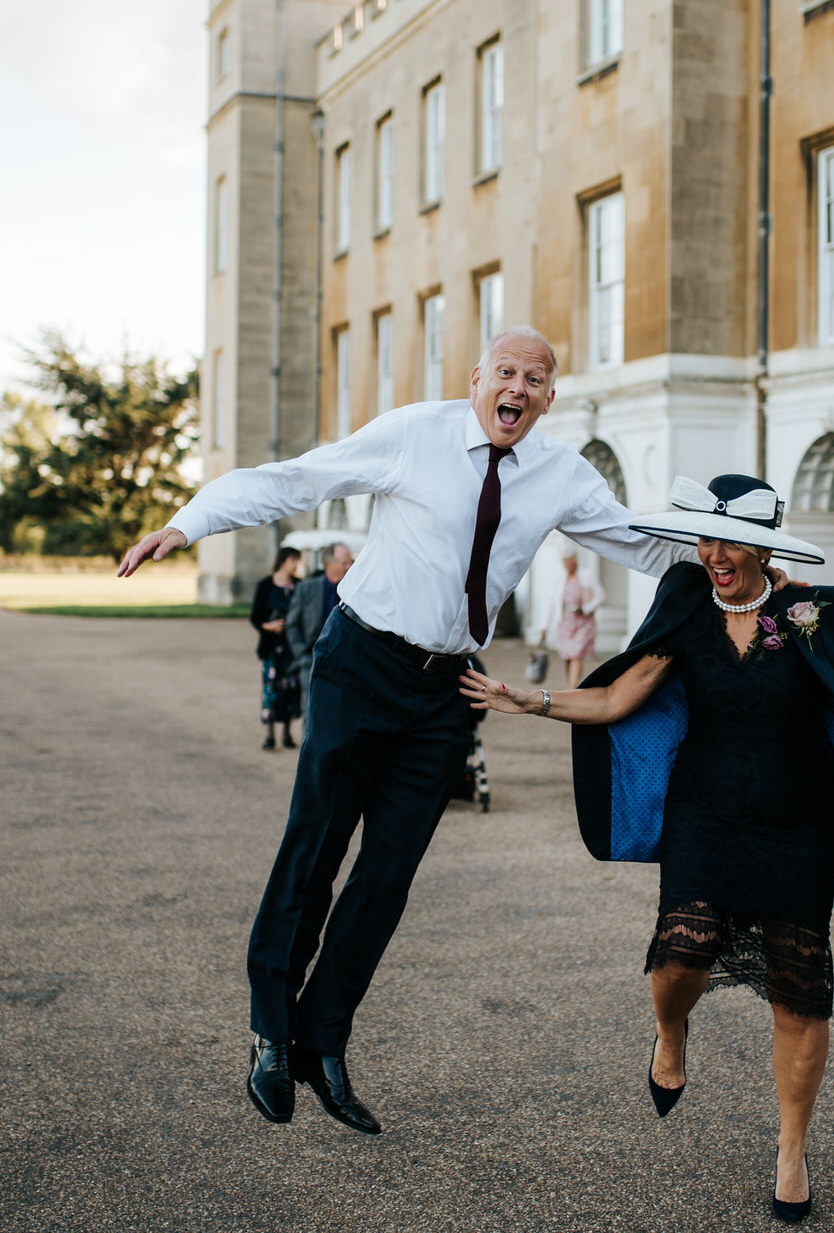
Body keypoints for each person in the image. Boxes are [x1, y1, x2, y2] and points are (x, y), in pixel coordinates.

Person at [117, 329, 797, 1137]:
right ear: (478, 380)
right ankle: (272, 1028)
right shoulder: (415, 433)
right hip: (361, 661)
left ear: (549, 398)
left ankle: (323, 1042)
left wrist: (749, 570)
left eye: (535, 378)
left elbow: (637, 543)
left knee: (389, 874)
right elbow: (295, 479)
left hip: (446, 691)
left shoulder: (561, 475)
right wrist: (189, 525)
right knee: (316, 846)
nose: (518, 387)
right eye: (505, 372)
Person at [462, 472, 834, 1224]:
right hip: (705, 816)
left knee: (799, 993)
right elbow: (624, 695)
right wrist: (534, 699)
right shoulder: (686, 601)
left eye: (731, 541)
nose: (714, 553)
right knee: (678, 960)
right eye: (706, 538)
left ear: (762, 547)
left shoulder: (813, 613)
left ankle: (791, 1151)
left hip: (797, 825)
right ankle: (669, 1031)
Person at [285, 542, 354, 715]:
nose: (350, 567)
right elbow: (292, 623)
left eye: (351, 562)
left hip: (346, 662)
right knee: (311, 713)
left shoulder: (356, 591)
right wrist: (301, 654)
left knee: (342, 714)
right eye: (345, 563)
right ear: (329, 564)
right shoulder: (306, 588)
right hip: (311, 659)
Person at [249, 547, 303, 750]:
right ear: (283, 561)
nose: (295, 565)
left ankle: (287, 733)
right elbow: (255, 615)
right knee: (270, 688)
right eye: (293, 560)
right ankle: (270, 735)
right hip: (272, 645)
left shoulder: (299, 585)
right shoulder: (266, 585)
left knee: (291, 688)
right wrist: (268, 626)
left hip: (292, 646)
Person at [539, 550, 605, 687]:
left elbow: (600, 596)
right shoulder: (560, 579)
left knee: (576, 655)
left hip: (583, 621)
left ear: (575, 562)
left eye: (570, 563)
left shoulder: (586, 576)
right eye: (566, 564)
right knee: (568, 657)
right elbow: (552, 603)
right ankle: (571, 684)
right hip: (565, 623)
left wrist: (586, 608)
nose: (568, 566)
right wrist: (545, 625)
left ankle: (572, 689)